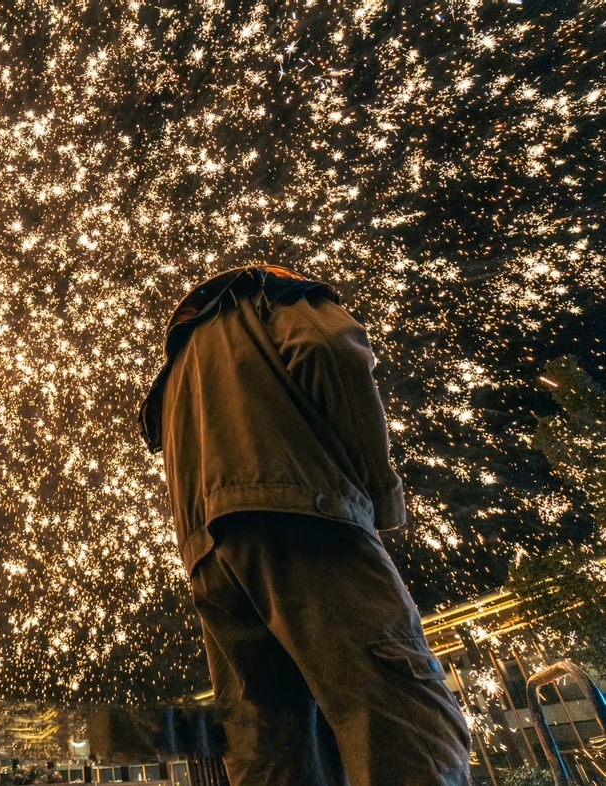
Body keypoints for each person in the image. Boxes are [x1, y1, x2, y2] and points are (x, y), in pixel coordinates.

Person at [138, 265, 471, 786]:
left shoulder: (175, 371)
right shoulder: (270, 294)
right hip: (302, 517)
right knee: (394, 702)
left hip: (210, 556)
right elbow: (331, 348)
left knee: (269, 740)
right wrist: (380, 494)